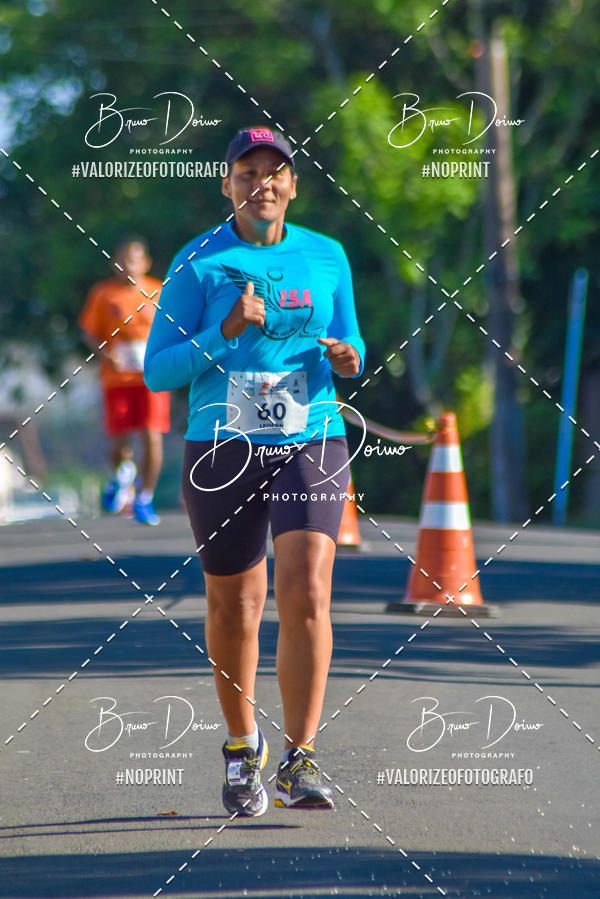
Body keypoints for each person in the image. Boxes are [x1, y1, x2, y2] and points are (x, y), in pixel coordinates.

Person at [144, 127, 365, 816]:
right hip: (223, 447)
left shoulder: (326, 256)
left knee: (306, 590)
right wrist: (225, 332)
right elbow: (158, 370)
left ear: (293, 185)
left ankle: (301, 758)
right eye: (247, 172)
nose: (261, 184)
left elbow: (353, 338)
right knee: (237, 606)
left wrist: (348, 357)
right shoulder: (197, 263)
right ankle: (244, 749)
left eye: (275, 173)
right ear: (227, 183)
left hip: (312, 435)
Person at [80, 237, 170, 526]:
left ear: (145, 263)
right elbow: (89, 333)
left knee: (152, 435)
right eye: (120, 261)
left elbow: (174, 331)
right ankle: (123, 473)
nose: (126, 266)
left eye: (132, 260)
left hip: (151, 379)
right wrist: (106, 356)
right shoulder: (104, 294)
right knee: (119, 442)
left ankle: (145, 496)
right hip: (117, 379)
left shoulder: (159, 291)